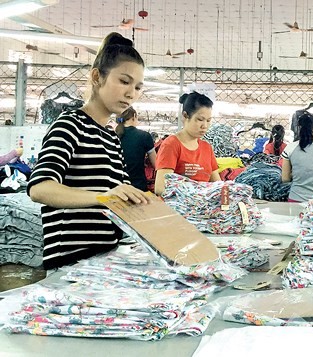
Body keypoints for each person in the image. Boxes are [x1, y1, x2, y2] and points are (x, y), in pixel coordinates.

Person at [27, 32, 151, 270]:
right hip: (70, 263)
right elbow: (40, 188)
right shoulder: (71, 125)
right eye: (124, 82)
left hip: (103, 261)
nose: (131, 93)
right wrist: (102, 198)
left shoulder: (111, 137)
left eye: (137, 87)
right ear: (97, 77)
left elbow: (120, 196)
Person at [155, 92, 220, 195]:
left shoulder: (206, 148)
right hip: (177, 206)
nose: (205, 126)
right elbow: (160, 187)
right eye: (200, 119)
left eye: (208, 120)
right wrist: (193, 196)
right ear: (185, 116)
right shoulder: (171, 145)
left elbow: (218, 185)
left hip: (202, 205)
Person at [115, 107, 156, 191]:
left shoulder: (112, 136)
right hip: (138, 187)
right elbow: (156, 164)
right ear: (134, 116)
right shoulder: (144, 136)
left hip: (116, 188)